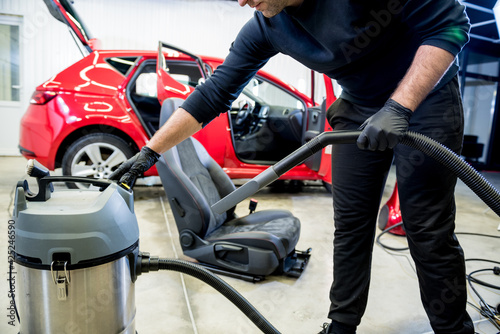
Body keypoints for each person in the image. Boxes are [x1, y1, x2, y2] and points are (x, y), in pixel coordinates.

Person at [110, 1, 472, 333]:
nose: (242, 0)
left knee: (426, 228)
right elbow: (216, 91)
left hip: (426, 100)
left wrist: (399, 106)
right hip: (359, 106)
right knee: (350, 225)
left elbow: (451, 27)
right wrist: (150, 152)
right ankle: (342, 325)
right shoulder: (268, 24)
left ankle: (453, 329)